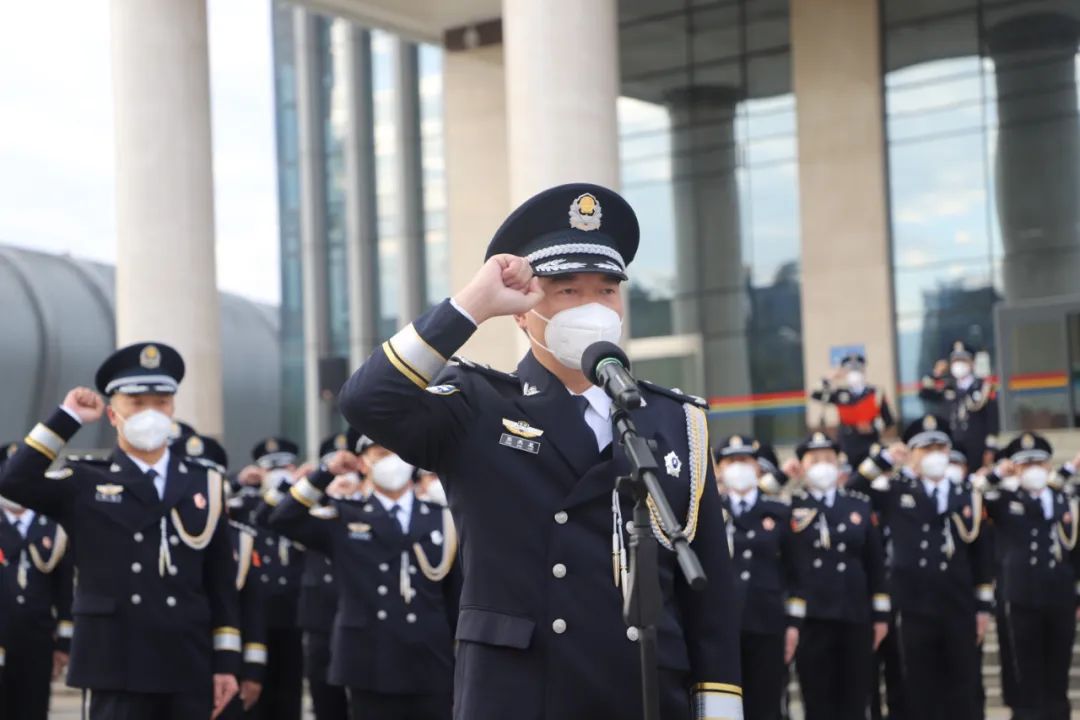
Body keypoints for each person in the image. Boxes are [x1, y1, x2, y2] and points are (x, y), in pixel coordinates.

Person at [337, 183, 742, 720]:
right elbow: (368, 401)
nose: (593, 308)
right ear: (524, 313)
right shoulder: (475, 405)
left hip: (643, 693)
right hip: (521, 694)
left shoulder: (675, 422)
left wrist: (718, 708)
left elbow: (708, 594)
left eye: (606, 290)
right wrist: (473, 306)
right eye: (568, 292)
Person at [0, 342, 241, 719]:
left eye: (161, 403)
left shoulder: (204, 482)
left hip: (186, 659)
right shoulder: (84, 479)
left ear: (173, 409)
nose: (151, 413)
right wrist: (67, 418)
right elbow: (14, 481)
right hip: (116, 662)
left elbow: (220, 582)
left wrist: (226, 661)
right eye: (137, 403)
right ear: (113, 414)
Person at [271, 438, 460, 720]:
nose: (392, 462)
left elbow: (455, 596)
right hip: (371, 660)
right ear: (363, 463)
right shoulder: (346, 516)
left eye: (398, 453)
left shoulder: (441, 519)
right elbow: (283, 519)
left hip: (429, 660)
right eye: (382, 453)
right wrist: (325, 471)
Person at [852, 416, 992, 720]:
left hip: (958, 605)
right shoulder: (895, 490)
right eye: (926, 448)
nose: (934, 454)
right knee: (919, 689)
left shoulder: (966, 493)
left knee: (963, 687)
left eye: (940, 446)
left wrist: (983, 607)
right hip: (914, 606)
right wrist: (885, 458)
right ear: (912, 454)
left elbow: (981, 556)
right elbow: (854, 487)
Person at [784, 432, 889, 720]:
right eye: (814, 459)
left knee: (855, 698)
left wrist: (880, 615)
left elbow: (875, 564)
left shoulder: (857, 504)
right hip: (813, 616)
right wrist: (784, 477)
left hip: (854, 613)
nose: (822, 465)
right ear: (801, 466)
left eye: (828, 459)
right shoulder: (791, 506)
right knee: (817, 699)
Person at [983, 432, 1079, 720]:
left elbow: (1075, 551)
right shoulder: (1005, 499)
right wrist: (999, 471)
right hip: (1022, 597)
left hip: (1060, 596)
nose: (1033, 469)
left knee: (1058, 670)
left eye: (1038, 462)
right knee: (1026, 671)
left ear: (1048, 465)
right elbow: (977, 492)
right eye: (1025, 464)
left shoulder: (1066, 499)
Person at [178, 433, 269, 719]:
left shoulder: (240, 540)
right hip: (168, 660)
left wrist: (252, 670)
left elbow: (249, 611)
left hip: (223, 665)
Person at [714, 435, 803, 720]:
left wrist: (793, 624)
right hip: (722, 626)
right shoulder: (709, 514)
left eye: (744, 461)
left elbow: (796, 573)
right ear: (719, 470)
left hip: (768, 624)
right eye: (731, 461)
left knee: (766, 706)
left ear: (757, 467)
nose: (738, 467)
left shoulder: (778, 512)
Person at [0, 441, 73, 720]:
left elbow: (65, 591)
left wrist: (64, 645)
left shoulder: (53, 527)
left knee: (32, 708)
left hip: (37, 638)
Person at [239, 437, 306, 720]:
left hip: (295, 612)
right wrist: (241, 480)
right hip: (259, 612)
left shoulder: (304, 501)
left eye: (286, 466)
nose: (280, 472)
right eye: (272, 468)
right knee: (256, 692)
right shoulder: (247, 502)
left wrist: (306, 482)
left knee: (290, 692)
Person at [918, 341, 998, 469]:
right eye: (955, 360)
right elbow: (924, 394)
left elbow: (992, 420)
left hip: (976, 447)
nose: (958, 364)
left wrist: (990, 449)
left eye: (963, 360)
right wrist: (935, 374)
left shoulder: (983, 387)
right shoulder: (948, 386)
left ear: (971, 363)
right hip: (951, 445)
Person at [810, 353, 895, 468]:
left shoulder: (876, 393)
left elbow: (889, 421)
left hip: (869, 443)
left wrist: (873, 427)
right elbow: (815, 395)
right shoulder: (840, 393)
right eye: (849, 369)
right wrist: (829, 378)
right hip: (846, 445)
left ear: (864, 371)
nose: (854, 373)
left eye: (858, 369)